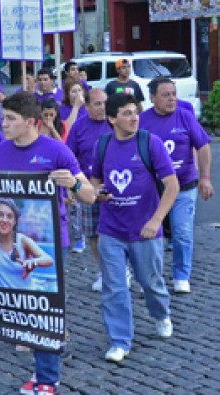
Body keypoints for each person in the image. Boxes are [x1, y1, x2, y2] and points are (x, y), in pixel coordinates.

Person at [0, 91, 95, 394]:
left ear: (31, 122)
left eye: (11, 119)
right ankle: (41, 367)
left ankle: (47, 379)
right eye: (3, 118)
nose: (4, 124)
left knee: (45, 307)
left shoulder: (56, 151)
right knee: (24, 309)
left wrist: (74, 183)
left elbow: (90, 195)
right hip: (7, 241)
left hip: (51, 242)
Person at [91, 92, 179, 363]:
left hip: (145, 230)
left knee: (150, 283)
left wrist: (155, 221)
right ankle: (120, 340)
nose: (134, 117)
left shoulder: (149, 143)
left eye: (135, 112)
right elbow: (94, 180)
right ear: (112, 118)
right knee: (114, 287)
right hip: (110, 229)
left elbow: (172, 186)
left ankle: (161, 314)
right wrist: (99, 192)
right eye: (127, 113)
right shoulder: (102, 145)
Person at [139, 77, 213, 293]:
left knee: (182, 232)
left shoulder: (185, 117)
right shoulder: (142, 121)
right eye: (166, 94)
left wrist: (206, 178)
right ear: (153, 98)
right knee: (151, 235)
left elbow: (204, 146)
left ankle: (181, 276)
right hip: (153, 190)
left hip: (184, 185)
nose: (172, 98)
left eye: (174, 93)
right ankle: (151, 278)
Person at [65, 89, 115, 289]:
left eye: (105, 102)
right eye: (97, 104)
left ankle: (121, 270)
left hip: (115, 185)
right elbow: (69, 156)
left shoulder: (114, 122)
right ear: (87, 107)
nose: (102, 107)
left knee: (116, 233)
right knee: (93, 234)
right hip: (88, 187)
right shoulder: (79, 127)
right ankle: (104, 271)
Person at [0, 198, 55, 290]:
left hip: (25, 297)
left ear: (15, 221)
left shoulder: (22, 240)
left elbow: (48, 260)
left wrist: (33, 262)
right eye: (0, 215)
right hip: (3, 298)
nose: (4, 220)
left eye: (9, 216)